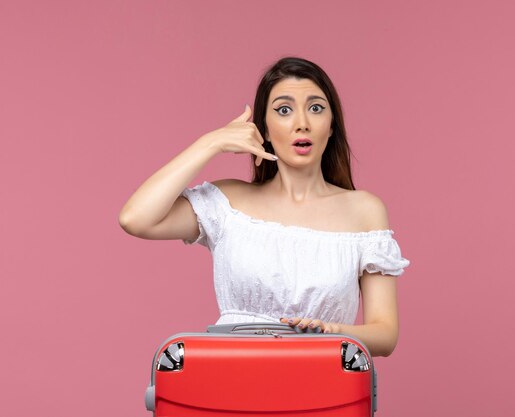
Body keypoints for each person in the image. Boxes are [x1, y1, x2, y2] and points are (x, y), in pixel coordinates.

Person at [118, 56, 410, 357]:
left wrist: (329, 333)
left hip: (323, 387)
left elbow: (384, 333)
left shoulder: (364, 210)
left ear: (332, 125)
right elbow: (136, 218)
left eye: (316, 108)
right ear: (265, 130)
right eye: (284, 110)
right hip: (232, 382)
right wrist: (211, 143)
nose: (302, 124)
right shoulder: (228, 202)